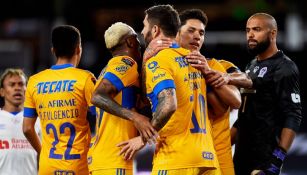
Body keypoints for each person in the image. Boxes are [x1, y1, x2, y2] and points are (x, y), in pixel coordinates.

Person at [216, 13, 302, 175]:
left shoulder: (284, 67)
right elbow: (243, 117)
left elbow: (294, 115)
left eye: (257, 30)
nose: (250, 35)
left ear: (273, 33)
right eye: (248, 30)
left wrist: (277, 159)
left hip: (265, 158)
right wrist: (219, 145)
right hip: (241, 155)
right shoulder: (252, 65)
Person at [141, 4, 221, 175]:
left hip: (175, 158)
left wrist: (142, 138)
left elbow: (168, 104)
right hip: (207, 158)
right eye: (191, 31)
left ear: (155, 30)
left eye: (144, 26)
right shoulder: (198, 61)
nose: (142, 32)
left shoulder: (161, 59)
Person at [23, 25, 96, 174]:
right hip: (77, 166)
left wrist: (42, 151)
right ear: (78, 49)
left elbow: (27, 128)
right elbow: (102, 118)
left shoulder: (34, 81)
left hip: (47, 166)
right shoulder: (85, 79)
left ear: (53, 51)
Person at [176, 9, 241, 175]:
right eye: (191, 30)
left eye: (201, 33)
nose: (197, 36)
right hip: (179, 154)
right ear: (177, 32)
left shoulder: (214, 65)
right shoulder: (166, 65)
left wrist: (207, 73)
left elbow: (235, 101)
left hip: (218, 155)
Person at [88, 22, 158, 175]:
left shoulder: (108, 71)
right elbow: (97, 96)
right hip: (114, 160)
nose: (140, 43)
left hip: (105, 159)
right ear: (130, 41)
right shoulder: (126, 63)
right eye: (136, 39)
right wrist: (135, 117)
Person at [0, 68, 41, 175]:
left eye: (21, 84)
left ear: (26, 90)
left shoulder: (38, 121)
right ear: (2, 92)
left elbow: (43, 155)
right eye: (12, 85)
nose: (17, 88)